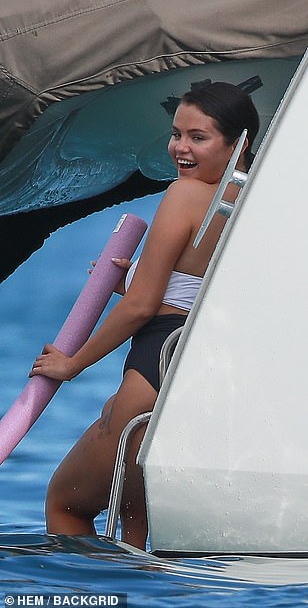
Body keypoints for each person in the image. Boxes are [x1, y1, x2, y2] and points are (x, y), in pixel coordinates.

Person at [29, 82, 259, 550]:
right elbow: (201, 287)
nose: (180, 148)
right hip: (202, 370)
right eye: (177, 134)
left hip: (152, 369)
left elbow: (142, 308)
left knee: (64, 504)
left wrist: (72, 364)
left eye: (199, 137)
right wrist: (134, 277)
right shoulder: (254, 205)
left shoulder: (184, 194)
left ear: (239, 143)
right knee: (140, 538)